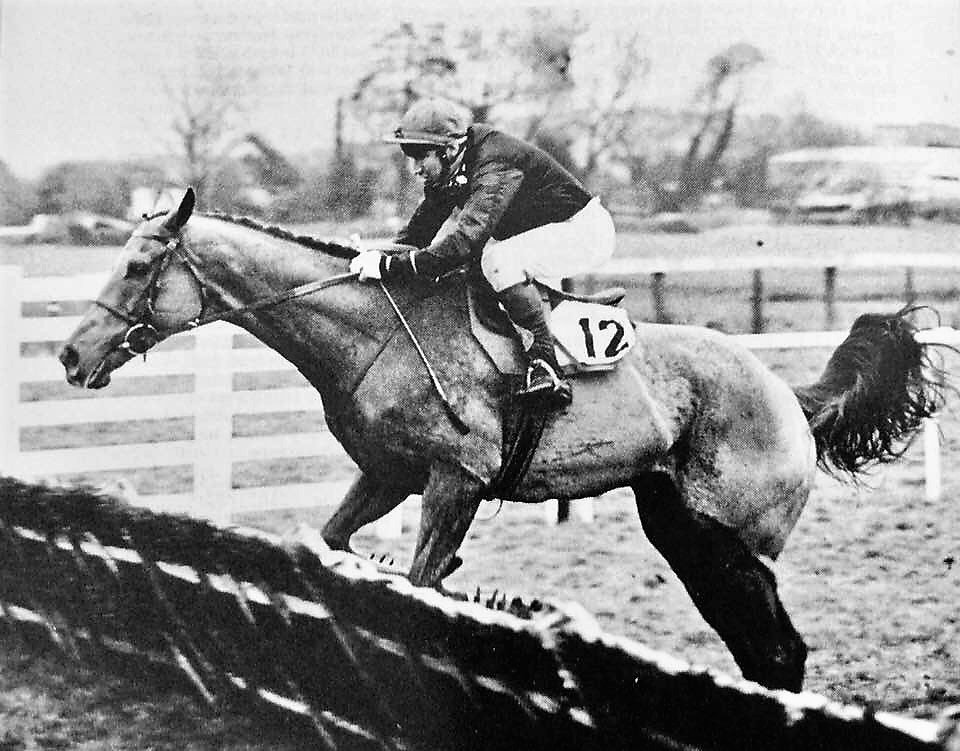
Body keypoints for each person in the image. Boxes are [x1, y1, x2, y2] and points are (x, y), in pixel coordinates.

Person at [350, 97, 616, 409]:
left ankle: (545, 364)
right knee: (474, 269)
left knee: (496, 260)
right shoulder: (454, 165)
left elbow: (464, 242)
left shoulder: (495, 163)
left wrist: (390, 267)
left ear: (449, 150)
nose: (414, 169)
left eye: (420, 156)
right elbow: (416, 236)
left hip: (585, 232)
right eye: (409, 156)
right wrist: (374, 257)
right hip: (547, 234)